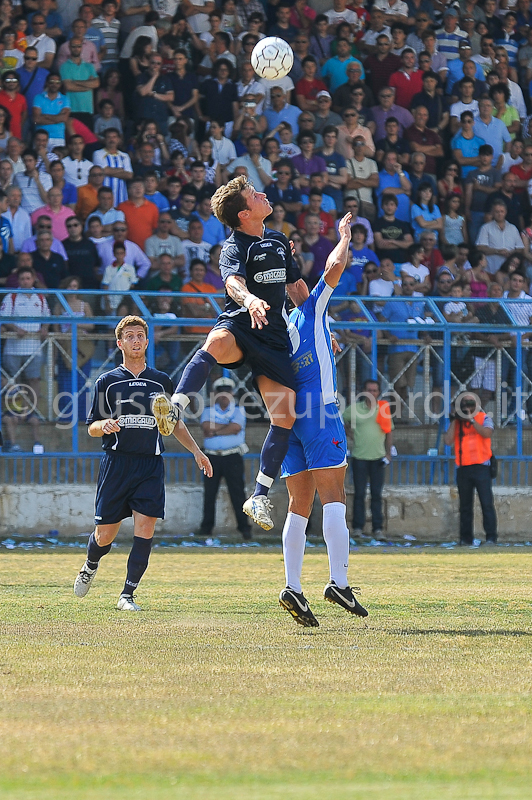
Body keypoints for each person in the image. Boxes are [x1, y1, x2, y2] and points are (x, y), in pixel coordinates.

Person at [151, 175, 309, 532]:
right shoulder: (234, 247)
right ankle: (175, 406)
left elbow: (297, 287)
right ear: (244, 214)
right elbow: (233, 283)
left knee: (285, 414)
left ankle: (259, 494)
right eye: (254, 194)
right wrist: (251, 299)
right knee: (217, 340)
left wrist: (319, 328)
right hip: (242, 323)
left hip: (274, 340)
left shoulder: (280, 240)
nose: (263, 194)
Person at [73, 315, 213, 612]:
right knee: (105, 535)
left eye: (140, 335)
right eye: (130, 336)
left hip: (150, 465)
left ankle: (127, 595)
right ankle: (90, 564)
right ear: (120, 343)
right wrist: (106, 424)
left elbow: (174, 423)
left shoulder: (162, 381)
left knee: (145, 528)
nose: (136, 340)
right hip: (116, 464)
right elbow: (91, 427)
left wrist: (197, 452)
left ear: (147, 342)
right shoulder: (106, 382)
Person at [278, 212, 369, 628]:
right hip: (320, 412)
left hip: (288, 417)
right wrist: (344, 237)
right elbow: (334, 268)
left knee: (299, 504)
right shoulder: (309, 311)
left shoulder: (275, 332)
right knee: (334, 498)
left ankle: (293, 587)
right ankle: (338, 582)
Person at [198, 376, 251, 540]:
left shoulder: (238, 410)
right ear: (215, 394)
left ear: (232, 393)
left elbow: (236, 428)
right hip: (212, 457)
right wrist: (225, 427)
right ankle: (206, 529)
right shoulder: (208, 410)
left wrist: (214, 431)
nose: (224, 395)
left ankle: (244, 529)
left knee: (237, 494)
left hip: (232, 456)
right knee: (209, 494)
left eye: (227, 392)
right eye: (220, 392)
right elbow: (205, 426)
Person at [443, 392, 497, 546]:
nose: (467, 407)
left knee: (486, 504)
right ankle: (465, 539)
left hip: (482, 467)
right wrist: (455, 419)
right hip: (464, 468)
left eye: (470, 404)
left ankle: (491, 538)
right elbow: (447, 441)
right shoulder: (457, 422)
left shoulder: (484, 417)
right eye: (464, 404)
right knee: (465, 506)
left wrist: (471, 419)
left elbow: (487, 433)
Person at [344, 378, 394, 538]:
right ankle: (358, 528)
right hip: (359, 457)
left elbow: (389, 432)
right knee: (359, 494)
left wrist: (388, 453)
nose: (372, 393)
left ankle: (377, 529)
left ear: (378, 392)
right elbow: (341, 420)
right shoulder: (355, 408)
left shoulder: (383, 408)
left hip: (378, 458)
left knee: (376, 495)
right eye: (369, 390)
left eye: (375, 390)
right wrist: (350, 435)